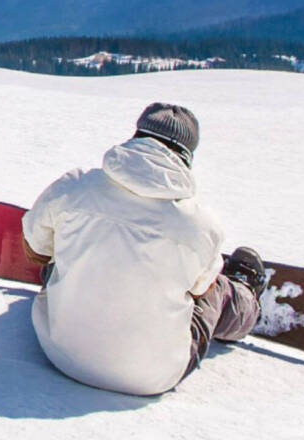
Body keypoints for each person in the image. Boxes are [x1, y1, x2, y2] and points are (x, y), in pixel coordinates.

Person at [21, 102, 266, 396]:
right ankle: (244, 299)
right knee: (217, 290)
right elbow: (200, 291)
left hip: (60, 353)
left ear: (136, 136)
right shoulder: (201, 226)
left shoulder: (74, 186)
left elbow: (34, 250)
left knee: (62, 256)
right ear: (186, 157)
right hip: (150, 377)